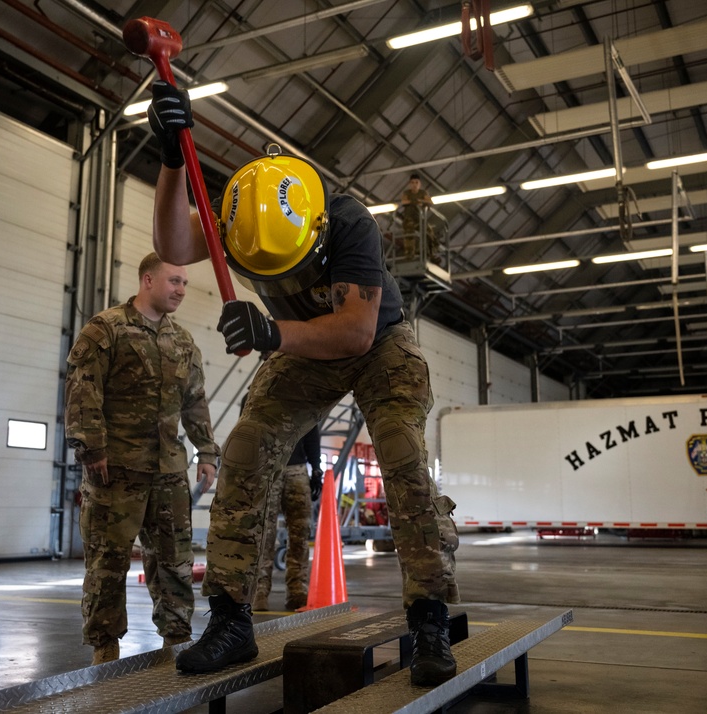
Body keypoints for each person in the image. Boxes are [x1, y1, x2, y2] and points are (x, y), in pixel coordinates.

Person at [147, 80, 460, 686]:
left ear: (314, 229)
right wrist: (168, 161)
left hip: (374, 339)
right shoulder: (241, 217)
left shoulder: (348, 222)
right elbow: (173, 243)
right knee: (246, 446)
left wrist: (270, 334)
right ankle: (233, 619)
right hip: (301, 343)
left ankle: (428, 616)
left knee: (402, 453)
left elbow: (354, 335)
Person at [64, 252, 220, 665]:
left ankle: (177, 641)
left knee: (175, 562)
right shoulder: (106, 330)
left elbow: (195, 401)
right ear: (147, 280)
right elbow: (83, 389)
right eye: (174, 281)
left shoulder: (182, 341)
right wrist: (92, 448)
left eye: (184, 283)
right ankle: (105, 647)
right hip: (115, 471)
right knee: (107, 563)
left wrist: (206, 450)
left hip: (168, 473)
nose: (181, 290)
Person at [251, 422, 323, 612]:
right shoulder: (252, 397)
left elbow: (311, 431)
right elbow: (249, 433)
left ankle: (297, 592)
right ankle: (259, 592)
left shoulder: (303, 395)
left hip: (297, 469)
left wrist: (316, 467)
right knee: (263, 532)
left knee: (300, 532)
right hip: (267, 468)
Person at [398, 173, 440, 261]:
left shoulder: (422, 192)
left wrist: (415, 201)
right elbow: (404, 202)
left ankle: (432, 253)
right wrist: (417, 201)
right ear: (410, 184)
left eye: (416, 182)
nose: (414, 184)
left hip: (420, 219)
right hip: (409, 219)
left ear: (419, 184)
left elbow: (430, 202)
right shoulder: (407, 192)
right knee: (409, 232)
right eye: (412, 183)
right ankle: (409, 255)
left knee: (430, 233)